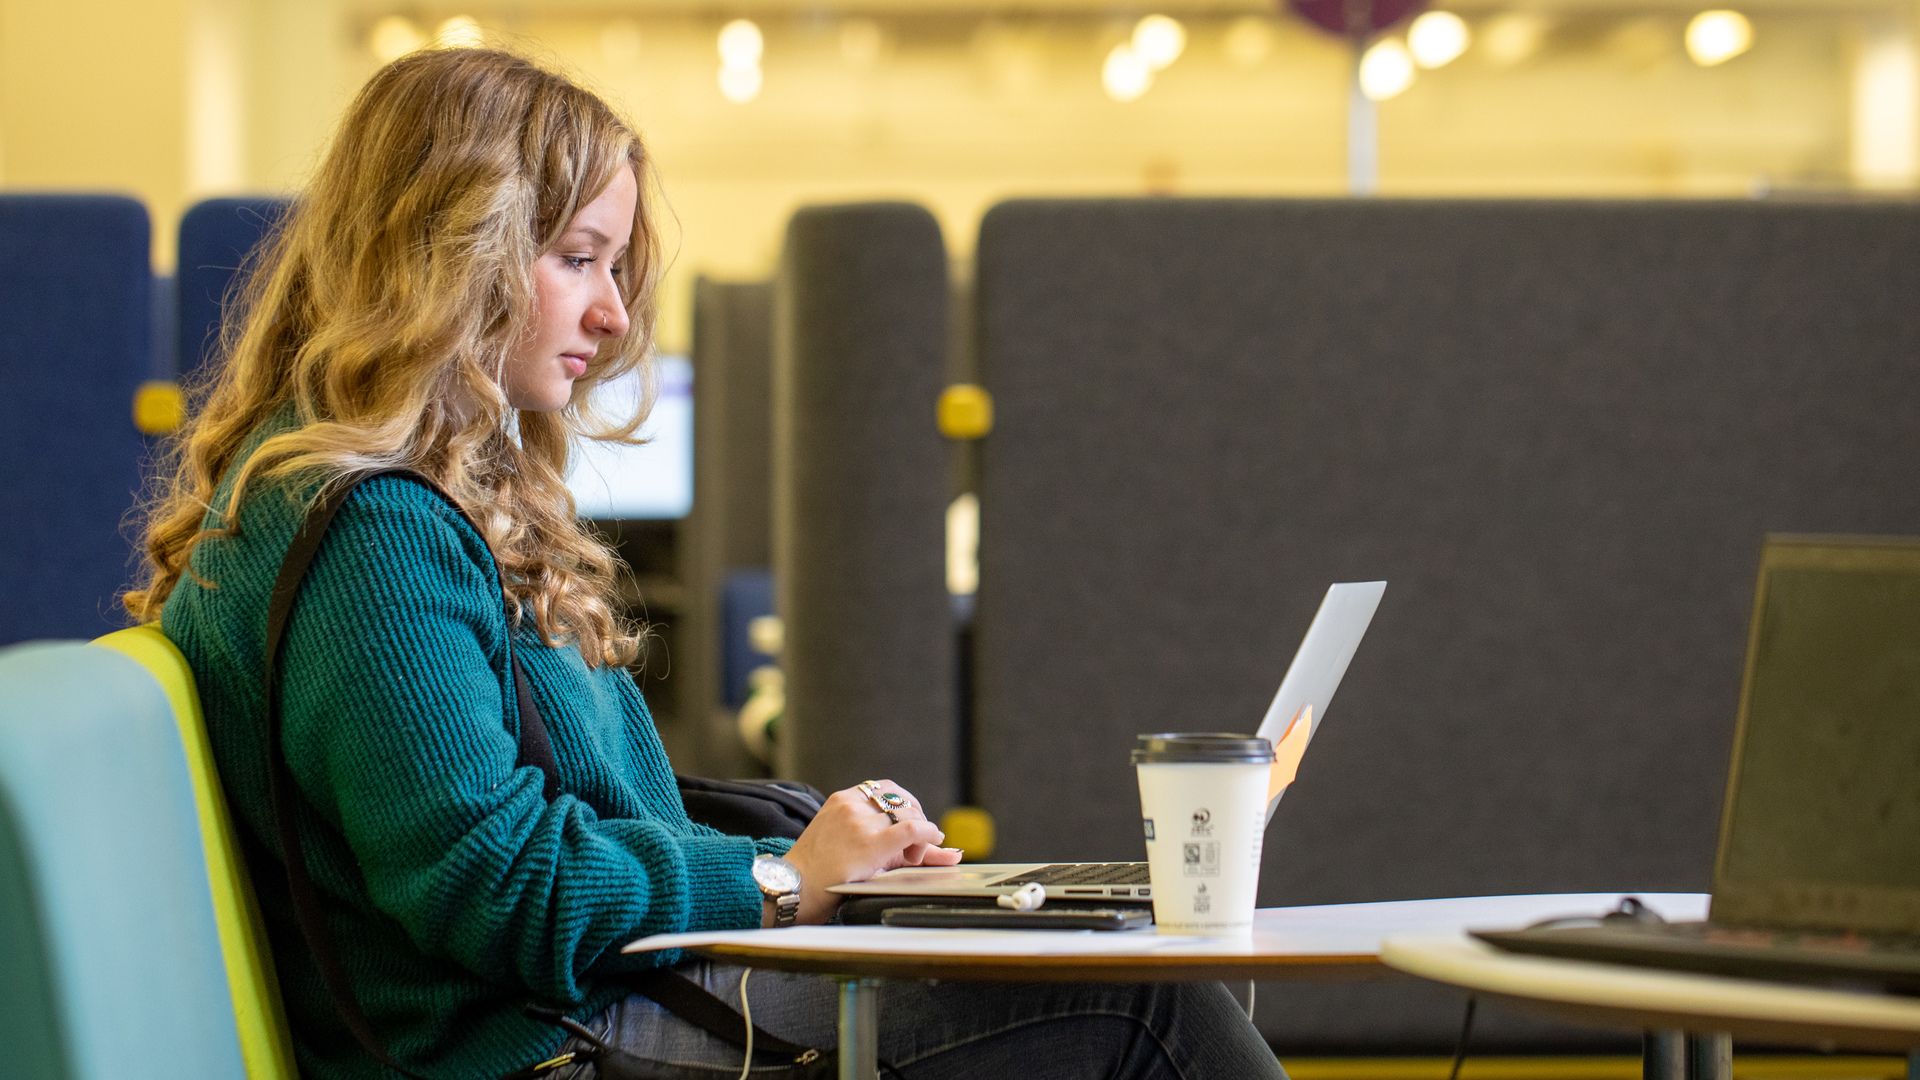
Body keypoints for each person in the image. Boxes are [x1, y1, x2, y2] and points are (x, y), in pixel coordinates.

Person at [128, 46, 1287, 1080]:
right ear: (451, 257)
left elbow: (552, 828)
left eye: (614, 265)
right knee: (1140, 1008)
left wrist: (816, 861)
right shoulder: (369, 532)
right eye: (578, 259)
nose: (613, 314)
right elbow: (496, 887)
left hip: (572, 1011)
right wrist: (783, 883)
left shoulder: (380, 504)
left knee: (1085, 972)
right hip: (529, 1048)